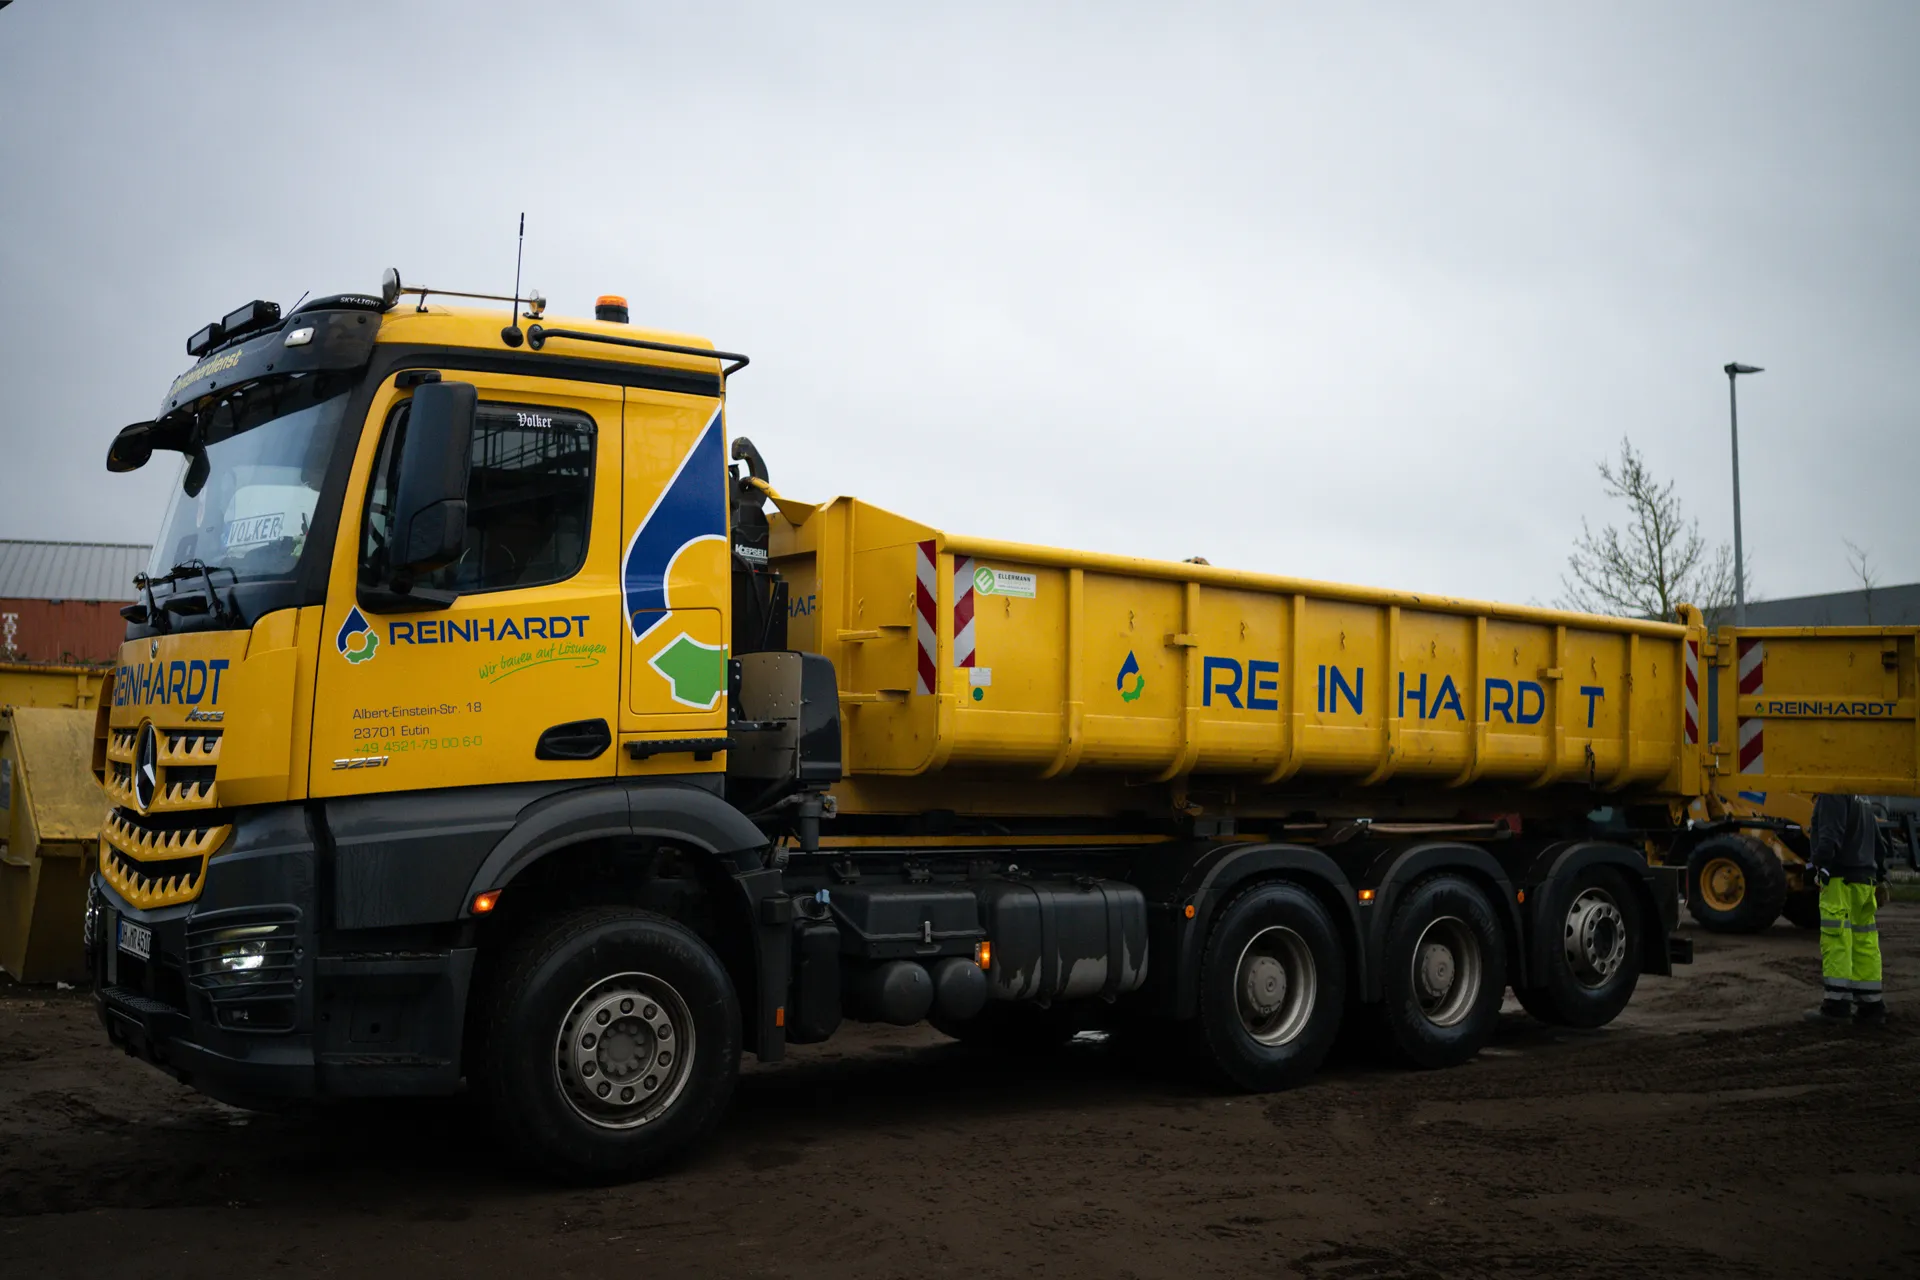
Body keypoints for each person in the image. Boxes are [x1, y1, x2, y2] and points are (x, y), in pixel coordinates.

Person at [1805, 793, 1888, 1024]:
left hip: (1839, 879)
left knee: (1837, 938)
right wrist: (1881, 875)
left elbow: (1830, 836)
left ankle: (1836, 1006)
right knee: (1865, 942)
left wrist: (1818, 866)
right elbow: (1878, 841)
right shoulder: (1863, 798)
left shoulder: (1832, 794)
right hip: (1864, 880)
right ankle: (1871, 1006)